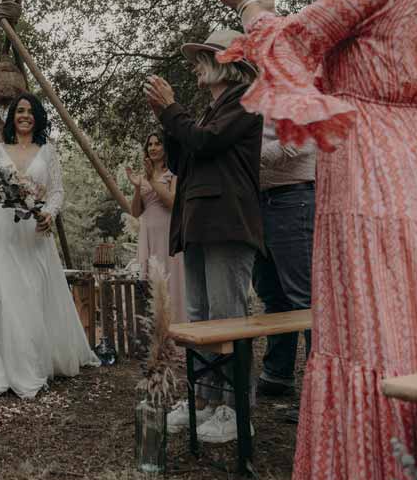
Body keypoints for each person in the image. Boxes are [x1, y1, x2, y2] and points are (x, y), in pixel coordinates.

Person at [203, 0, 417, 480]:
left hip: (372, 167)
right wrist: (270, 12)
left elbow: (295, 43)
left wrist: (248, 6)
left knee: (369, 331)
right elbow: (321, 69)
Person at [144, 29, 264, 444]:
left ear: (226, 63)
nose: (195, 64)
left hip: (227, 223)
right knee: (199, 317)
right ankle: (204, 401)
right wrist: (170, 120)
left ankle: (236, 408)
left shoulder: (246, 101)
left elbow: (206, 143)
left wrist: (171, 111)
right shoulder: (210, 108)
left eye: (202, 57)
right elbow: (187, 157)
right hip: (196, 223)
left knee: (227, 317)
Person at [0, 93, 100, 398]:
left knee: (35, 292)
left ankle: (37, 360)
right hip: (4, 228)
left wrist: (49, 215)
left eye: (30, 111)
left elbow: (56, 192)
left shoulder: (48, 151)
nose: (24, 116)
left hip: (36, 230)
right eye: (20, 111)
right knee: (3, 295)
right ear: (13, 116)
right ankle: (4, 367)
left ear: (38, 117)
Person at [253, 122, 315, 425]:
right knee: (272, 292)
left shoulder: (298, 88)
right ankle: (278, 373)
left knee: (306, 298)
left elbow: (302, 138)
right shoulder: (257, 94)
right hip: (262, 201)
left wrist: (250, 156)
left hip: (294, 196)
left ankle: (321, 396)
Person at [126, 133, 186, 325]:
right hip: (148, 234)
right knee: (150, 282)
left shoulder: (173, 174)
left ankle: (177, 331)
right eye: (149, 144)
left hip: (168, 232)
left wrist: (152, 179)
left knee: (171, 281)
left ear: (165, 147)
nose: (152, 147)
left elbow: (171, 203)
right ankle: (154, 335)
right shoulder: (143, 177)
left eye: (157, 144)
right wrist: (137, 188)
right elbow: (135, 212)